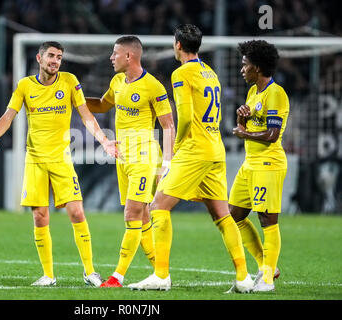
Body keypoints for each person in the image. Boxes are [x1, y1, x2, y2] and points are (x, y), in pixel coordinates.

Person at [128, 24, 253, 292]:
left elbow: (183, 118)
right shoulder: (211, 73)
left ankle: (161, 275)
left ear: (178, 45)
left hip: (194, 149)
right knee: (222, 215)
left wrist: (176, 148)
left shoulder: (181, 73)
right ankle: (243, 277)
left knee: (158, 207)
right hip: (214, 148)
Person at [0, 41, 119, 287]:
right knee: (39, 216)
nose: (55, 61)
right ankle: (48, 275)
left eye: (59, 57)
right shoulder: (25, 85)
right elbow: (9, 114)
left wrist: (105, 141)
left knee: (77, 212)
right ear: (39, 58)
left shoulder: (69, 81)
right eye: (51, 56)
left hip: (61, 159)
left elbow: (86, 115)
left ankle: (90, 272)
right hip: (35, 160)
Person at [86, 36, 175, 288]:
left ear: (129, 56)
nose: (111, 58)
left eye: (115, 53)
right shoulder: (117, 81)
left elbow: (168, 125)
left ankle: (117, 277)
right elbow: (103, 106)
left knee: (132, 213)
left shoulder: (153, 86)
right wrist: (76, 100)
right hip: (122, 156)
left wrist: (166, 161)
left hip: (145, 156)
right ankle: (162, 272)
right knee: (143, 217)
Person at [229, 40, 288, 292]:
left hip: (269, 163)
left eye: (245, 65)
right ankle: (267, 266)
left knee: (267, 219)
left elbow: (273, 135)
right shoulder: (253, 92)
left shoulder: (276, 93)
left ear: (257, 66)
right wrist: (242, 120)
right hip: (250, 163)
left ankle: (266, 280)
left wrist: (245, 135)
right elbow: (246, 128)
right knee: (235, 215)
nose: (242, 69)